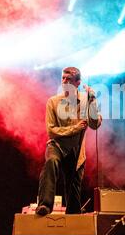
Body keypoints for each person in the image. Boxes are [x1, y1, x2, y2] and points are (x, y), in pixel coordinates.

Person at [35, 67, 102, 216]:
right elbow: (51, 131)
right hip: (57, 145)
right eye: (63, 78)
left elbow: (95, 124)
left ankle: (73, 216)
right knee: (51, 162)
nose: (64, 82)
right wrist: (75, 129)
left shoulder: (85, 100)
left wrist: (92, 101)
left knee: (74, 188)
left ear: (77, 83)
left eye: (69, 79)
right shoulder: (53, 101)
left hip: (77, 150)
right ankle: (45, 205)